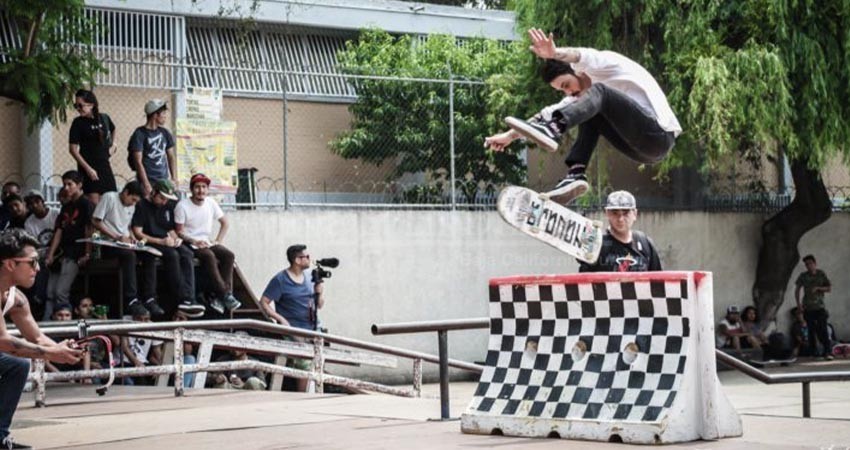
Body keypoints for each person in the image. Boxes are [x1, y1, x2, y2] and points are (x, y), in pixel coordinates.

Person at [485, 28, 681, 202]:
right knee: (587, 110)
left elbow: (579, 55)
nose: (569, 92)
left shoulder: (604, 63)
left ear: (577, 72)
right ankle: (576, 173)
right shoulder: (584, 99)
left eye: (566, 85)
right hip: (641, 151)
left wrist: (554, 53)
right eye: (562, 90)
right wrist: (509, 136)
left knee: (600, 93)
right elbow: (544, 116)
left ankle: (554, 128)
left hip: (659, 134)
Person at [0, 229, 83, 449]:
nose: (37, 268)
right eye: (32, 262)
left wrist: (63, 349)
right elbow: (4, 341)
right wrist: (52, 353)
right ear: (10, 264)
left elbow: (36, 337)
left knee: (17, 365)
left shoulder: (16, 298)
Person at [131, 179, 204, 318]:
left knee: (187, 253)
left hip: (167, 239)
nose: (164, 202)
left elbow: (170, 228)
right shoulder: (142, 205)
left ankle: (190, 297)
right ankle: (181, 297)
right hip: (149, 241)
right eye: (161, 198)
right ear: (153, 192)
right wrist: (160, 241)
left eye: (166, 199)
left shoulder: (169, 205)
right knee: (172, 255)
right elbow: (138, 232)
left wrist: (177, 239)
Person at [260, 244, 325, 392]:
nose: (310, 259)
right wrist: (281, 319)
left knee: (317, 365)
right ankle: (304, 398)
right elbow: (263, 302)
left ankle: (315, 396)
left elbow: (320, 305)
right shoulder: (280, 279)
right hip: (294, 330)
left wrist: (320, 293)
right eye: (306, 256)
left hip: (314, 329)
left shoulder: (310, 277)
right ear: (297, 260)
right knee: (303, 365)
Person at [175, 173, 240, 314]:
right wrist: (194, 241)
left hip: (206, 241)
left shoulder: (211, 203)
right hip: (189, 243)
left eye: (204, 187)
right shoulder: (182, 206)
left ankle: (220, 297)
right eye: (197, 187)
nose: (201, 190)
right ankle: (225, 294)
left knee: (228, 255)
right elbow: (178, 231)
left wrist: (217, 241)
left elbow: (225, 223)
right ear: (191, 189)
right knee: (209, 256)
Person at [44, 171, 93, 320]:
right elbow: (59, 231)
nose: (66, 187)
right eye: (64, 184)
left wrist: (87, 253)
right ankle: (47, 323)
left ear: (79, 185)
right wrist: (50, 255)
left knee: (61, 292)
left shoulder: (86, 204)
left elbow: (89, 229)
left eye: (69, 184)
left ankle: (63, 323)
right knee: (50, 292)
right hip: (61, 253)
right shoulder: (67, 206)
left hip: (75, 253)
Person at [91, 181, 145, 316]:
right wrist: (116, 237)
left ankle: (146, 298)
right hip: (108, 243)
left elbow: (127, 227)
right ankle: (131, 298)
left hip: (123, 242)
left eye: (136, 201)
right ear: (126, 192)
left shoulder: (132, 206)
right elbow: (96, 221)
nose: (133, 203)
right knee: (129, 256)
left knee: (146, 256)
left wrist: (133, 238)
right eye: (133, 199)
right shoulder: (109, 197)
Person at [578, 190, 661, 272]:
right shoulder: (597, 243)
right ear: (607, 213)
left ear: (635, 214)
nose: (620, 219)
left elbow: (658, 277)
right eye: (615, 213)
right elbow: (584, 276)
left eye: (625, 213)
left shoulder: (644, 243)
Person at [69, 89, 119, 205]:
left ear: (91, 105)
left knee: (110, 199)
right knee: (93, 201)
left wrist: (113, 144)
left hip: (104, 165)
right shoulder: (78, 123)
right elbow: (73, 149)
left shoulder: (104, 118)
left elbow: (113, 129)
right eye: (76, 106)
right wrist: (88, 169)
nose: (78, 109)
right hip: (88, 166)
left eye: (81, 105)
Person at [128, 99, 177, 196]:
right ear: (155, 115)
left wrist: (174, 178)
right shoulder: (139, 134)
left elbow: (171, 156)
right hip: (148, 180)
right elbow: (138, 162)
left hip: (164, 180)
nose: (165, 116)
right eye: (163, 113)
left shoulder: (165, 133)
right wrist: (146, 184)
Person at [794, 254, 833, 360]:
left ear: (815, 263)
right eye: (806, 264)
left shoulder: (821, 274)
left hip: (819, 306)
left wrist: (818, 288)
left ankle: (827, 352)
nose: (809, 266)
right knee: (811, 330)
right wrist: (798, 304)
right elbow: (797, 290)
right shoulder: (803, 276)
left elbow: (829, 288)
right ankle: (814, 353)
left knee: (822, 329)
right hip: (808, 307)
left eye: (810, 263)